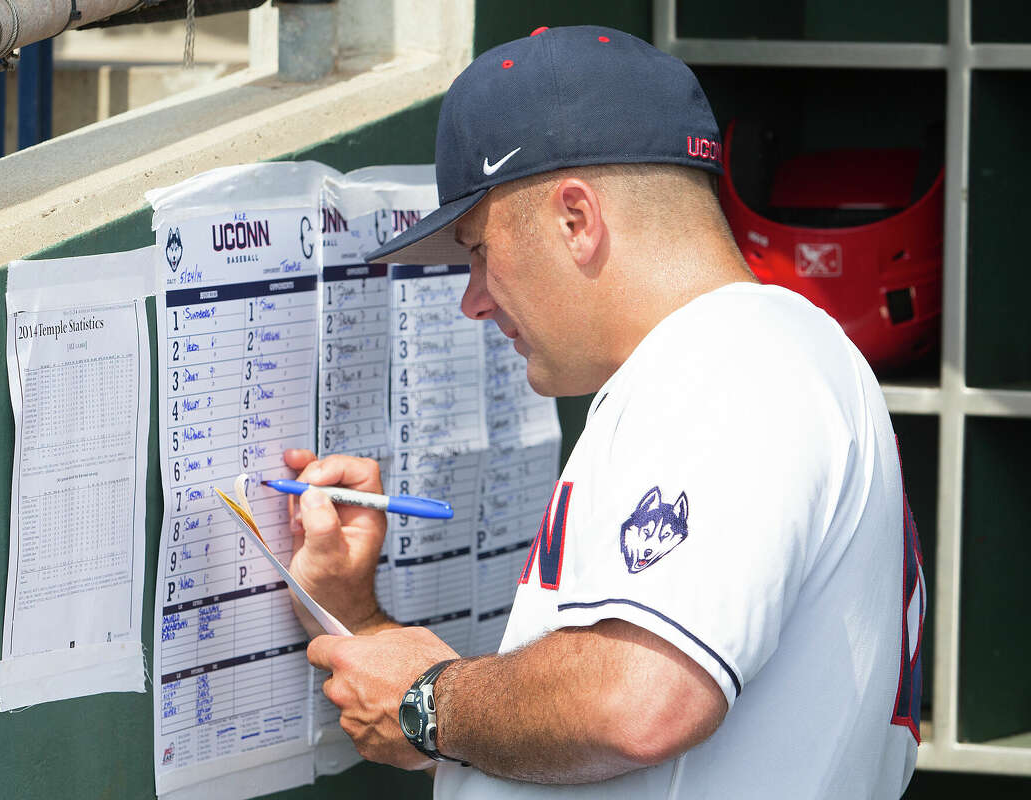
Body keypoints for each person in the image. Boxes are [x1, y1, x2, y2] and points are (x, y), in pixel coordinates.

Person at [281, 25, 925, 798]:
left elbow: (641, 704)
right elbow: (579, 726)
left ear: (575, 220)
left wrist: (430, 702)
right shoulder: (730, 361)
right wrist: (370, 631)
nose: (472, 299)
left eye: (479, 247)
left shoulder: (736, 362)